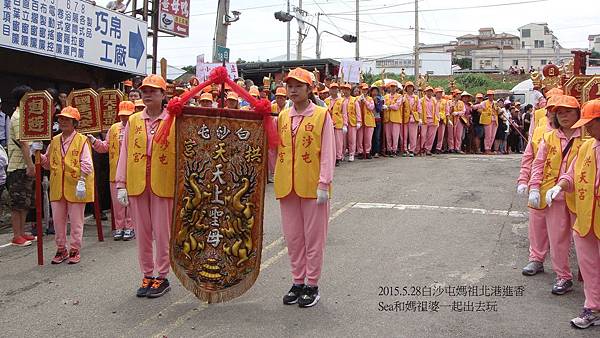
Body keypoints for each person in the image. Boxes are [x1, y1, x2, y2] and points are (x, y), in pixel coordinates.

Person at [274, 67, 335, 308]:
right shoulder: (282, 116)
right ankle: (297, 281)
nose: (293, 90)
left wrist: (324, 183)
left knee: (314, 238)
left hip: (312, 186)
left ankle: (312, 284)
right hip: (287, 186)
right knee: (294, 237)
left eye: (298, 86)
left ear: (309, 89)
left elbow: (329, 152)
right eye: (290, 86)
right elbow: (277, 150)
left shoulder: (321, 115)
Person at [115, 74, 175, 298]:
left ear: (163, 94)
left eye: (153, 91)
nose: (148, 94)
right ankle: (147, 274)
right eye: (145, 91)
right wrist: (121, 183)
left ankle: (162, 275)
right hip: (138, 182)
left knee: (162, 232)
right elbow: (125, 152)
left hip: (163, 183)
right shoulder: (133, 121)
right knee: (143, 233)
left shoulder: (173, 119)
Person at [548, 99, 600, 329]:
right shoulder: (587, 147)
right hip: (585, 217)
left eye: (591, 123)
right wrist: (560, 185)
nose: (587, 128)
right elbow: (571, 175)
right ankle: (593, 307)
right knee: (589, 266)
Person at [528, 95, 582, 295]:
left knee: (584, 239)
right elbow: (538, 163)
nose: (564, 116)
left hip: (580, 196)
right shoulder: (549, 137)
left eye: (568, 111)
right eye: (560, 113)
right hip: (555, 196)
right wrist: (534, 186)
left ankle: (590, 278)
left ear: (578, 113)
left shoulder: (586, 136)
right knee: (558, 238)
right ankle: (563, 276)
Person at [38, 107, 95, 264]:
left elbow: (87, 164)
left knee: (76, 220)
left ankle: (75, 248)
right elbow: (48, 164)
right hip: (57, 185)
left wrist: (82, 181)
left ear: (74, 123)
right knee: (57, 220)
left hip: (76, 185)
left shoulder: (82, 140)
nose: (63, 122)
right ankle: (61, 248)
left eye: (67, 119)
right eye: (61, 119)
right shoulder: (55, 140)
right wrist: (38, 154)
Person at [517, 95, 557, 276]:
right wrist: (523, 180)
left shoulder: (578, 133)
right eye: (552, 109)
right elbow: (529, 157)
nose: (555, 114)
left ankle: (562, 271)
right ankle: (536, 258)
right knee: (537, 225)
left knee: (560, 233)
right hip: (539, 184)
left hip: (564, 190)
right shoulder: (540, 129)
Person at [89, 101, 135, 241]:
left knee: (131, 202)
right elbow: (105, 147)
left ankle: (130, 226)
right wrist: (94, 141)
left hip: (132, 172)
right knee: (117, 203)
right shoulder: (114, 128)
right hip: (115, 172)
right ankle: (119, 227)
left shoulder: (137, 128)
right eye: (122, 115)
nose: (124, 118)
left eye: (127, 116)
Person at [6, 85, 36, 247]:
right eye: (29, 97)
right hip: (18, 166)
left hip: (25, 165)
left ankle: (22, 232)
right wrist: (31, 165)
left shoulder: (27, 116)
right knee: (17, 203)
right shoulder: (17, 116)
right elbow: (23, 143)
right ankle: (16, 235)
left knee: (25, 202)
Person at [325, 83, 346, 166]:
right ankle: (331, 157)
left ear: (338, 90)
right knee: (329, 142)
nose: (334, 90)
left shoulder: (342, 100)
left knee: (338, 142)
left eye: (335, 88)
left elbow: (344, 113)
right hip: (328, 123)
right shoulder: (326, 101)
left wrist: (345, 124)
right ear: (329, 90)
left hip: (338, 123)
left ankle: (338, 157)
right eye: (332, 88)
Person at [472, 90, 498, 155]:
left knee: (492, 136)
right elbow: (478, 106)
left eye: (491, 95)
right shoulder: (484, 102)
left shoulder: (495, 103)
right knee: (488, 135)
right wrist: (472, 106)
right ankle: (487, 149)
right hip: (487, 120)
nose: (490, 96)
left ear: (493, 96)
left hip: (494, 121)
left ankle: (489, 148)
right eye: (489, 95)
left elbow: (498, 110)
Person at [401, 81, 422, 157]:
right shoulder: (403, 97)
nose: (410, 88)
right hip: (405, 117)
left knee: (413, 135)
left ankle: (412, 150)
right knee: (404, 135)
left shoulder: (416, 97)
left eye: (411, 87)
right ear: (406, 88)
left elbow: (419, 108)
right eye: (408, 87)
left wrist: (420, 118)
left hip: (414, 117)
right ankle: (404, 149)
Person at [343, 85, 362, 162]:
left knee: (352, 139)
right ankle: (342, 153)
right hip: (343, 122)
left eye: (347, 89)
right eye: (345, 89)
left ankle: (351, 154)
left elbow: (358, 111)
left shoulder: (354, 100)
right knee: (343, 140)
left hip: (352, 122)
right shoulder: (341, 100)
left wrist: (359, 121)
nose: (346, 91)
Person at [357, 86, 376, 159]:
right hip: (360, 120)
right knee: (360, 138)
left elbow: (371, 107)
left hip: (369, 120)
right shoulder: (357, 98)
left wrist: (365, 101)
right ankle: (360, 152)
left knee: (368, 138)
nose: (364, 91)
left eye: (366, 90)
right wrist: (359, 101)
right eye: (363, 89)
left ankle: (367, 151)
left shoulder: (370, 99)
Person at [383, 82, 402, 157]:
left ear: (396, 88)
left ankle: (394, 150)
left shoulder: (399, 96)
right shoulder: (386, 96)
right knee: (388, 135)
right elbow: (383, 104)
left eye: (394, 87)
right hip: (387, 118)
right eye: (391, 87)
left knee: (395, 135)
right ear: (389, 88)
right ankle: (389, 149)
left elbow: (396, 106)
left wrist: (388, 106)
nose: (393, 88)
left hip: (396, 118)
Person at [419, 86, 438, 156]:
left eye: (430, 91)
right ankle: (419, 148)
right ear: (425, 92)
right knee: (423, 135)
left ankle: (428, 149)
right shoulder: (421, 100)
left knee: (431, 136)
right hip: (424, 119)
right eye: (428, 91)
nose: (429, 92)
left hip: (432, 119)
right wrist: (420, 118)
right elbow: (419, 110)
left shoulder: (434, 100)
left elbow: (436, 111)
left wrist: (437, 119)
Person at [433, 88, 448, 154]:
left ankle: (438, 148)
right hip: (434, 119)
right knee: (432, 134)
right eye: (438, 92)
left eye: (441, 92)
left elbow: (446, 112)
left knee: (440, 135)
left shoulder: (444, 101)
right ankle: (431, 147)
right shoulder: (433, 100)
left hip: (442, 119)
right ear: (435, 93)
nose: (440, 94)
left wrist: (445, 119)